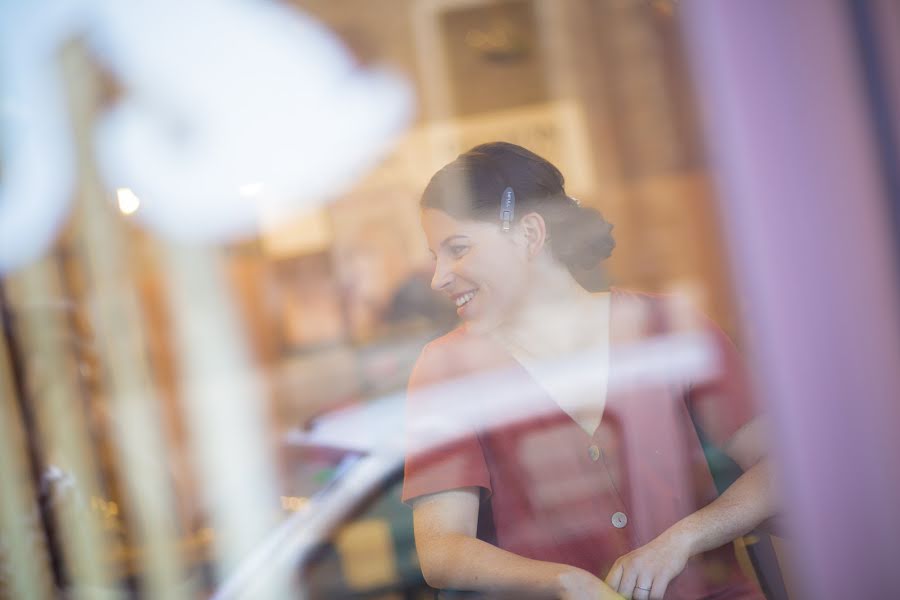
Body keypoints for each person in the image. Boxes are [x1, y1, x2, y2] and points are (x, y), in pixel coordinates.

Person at [401, 142, 775, 600]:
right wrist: (563, 581)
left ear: (529, 235)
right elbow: (442, 550)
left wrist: (683, 539)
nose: (439, 277)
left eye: (456, 249)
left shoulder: (666, 327)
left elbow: (778, 466)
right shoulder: (447, 368)